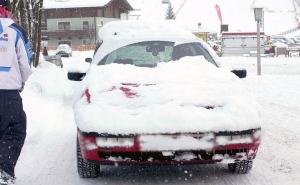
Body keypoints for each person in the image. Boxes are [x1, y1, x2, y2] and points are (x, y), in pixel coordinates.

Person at [0, 0, 32, 184]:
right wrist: (21, 81)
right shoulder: (16, 31)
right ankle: (4, 171)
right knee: (14, 130)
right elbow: (25, 63)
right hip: (8, 95)